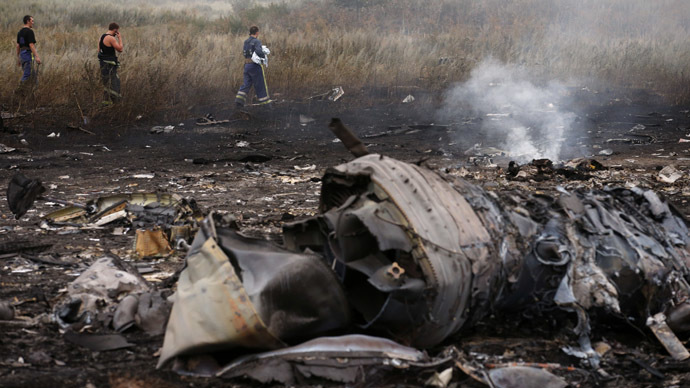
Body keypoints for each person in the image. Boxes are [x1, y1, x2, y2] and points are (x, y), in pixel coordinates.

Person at [235, 26, 272, 108]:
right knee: (260, 84)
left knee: (247, 83)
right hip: (255, 65)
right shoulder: (257, 41)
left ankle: (239, 101)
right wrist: (263, 55)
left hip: (247, 65)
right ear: (257, 33)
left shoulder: (246, 41)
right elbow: (259, 51)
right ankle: (266, 105)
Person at [98, 22, 124, 105]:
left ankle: (107, 103)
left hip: (102, 64)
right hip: (110, 65)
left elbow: (99, 50)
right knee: (115, 83)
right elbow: (120, 49)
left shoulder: (101, 37)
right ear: (115, 30)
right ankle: (117, 104)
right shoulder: (111, 38)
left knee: (106, 83)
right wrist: (120, 38)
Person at [16, 15, 41, 86]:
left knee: (33, 76)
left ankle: (34, 92)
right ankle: (18, 91)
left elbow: (18, 45)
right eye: (32, 21)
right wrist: (37, 56)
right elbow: (31, 45)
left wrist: (18, 58)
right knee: (27, 74)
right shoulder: (29, 32)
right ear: (28, 21)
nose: (33, 22)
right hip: (27, 54)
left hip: (22, 54)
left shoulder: (19, 32)